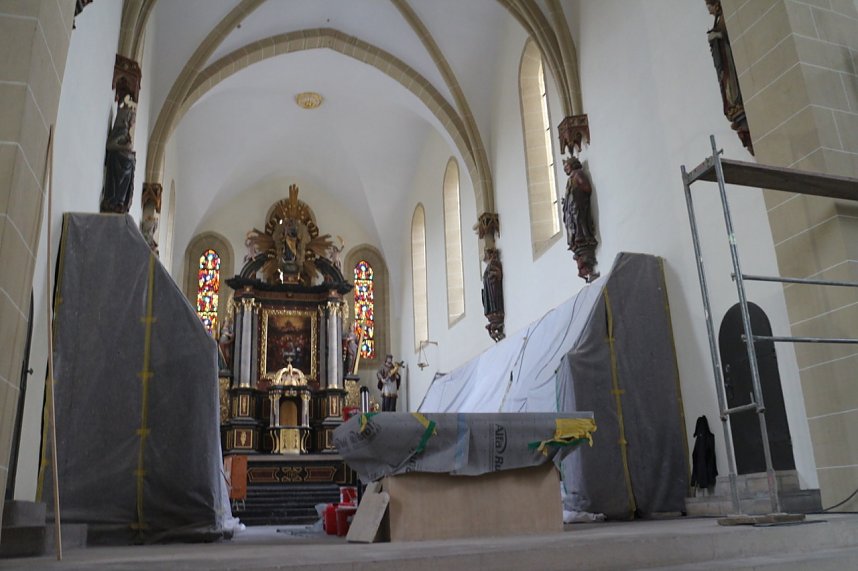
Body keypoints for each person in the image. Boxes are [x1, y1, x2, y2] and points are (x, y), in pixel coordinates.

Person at [99, 99, 137, 213]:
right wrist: (125, 148)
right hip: (117, 161)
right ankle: (115, 199)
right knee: (127, 163)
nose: (133, 123)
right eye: (132, 120)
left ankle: (120, 200)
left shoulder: (125, 132)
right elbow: (110, 145)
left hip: (121, 161)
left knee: (129, 163)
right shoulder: (121, 130)